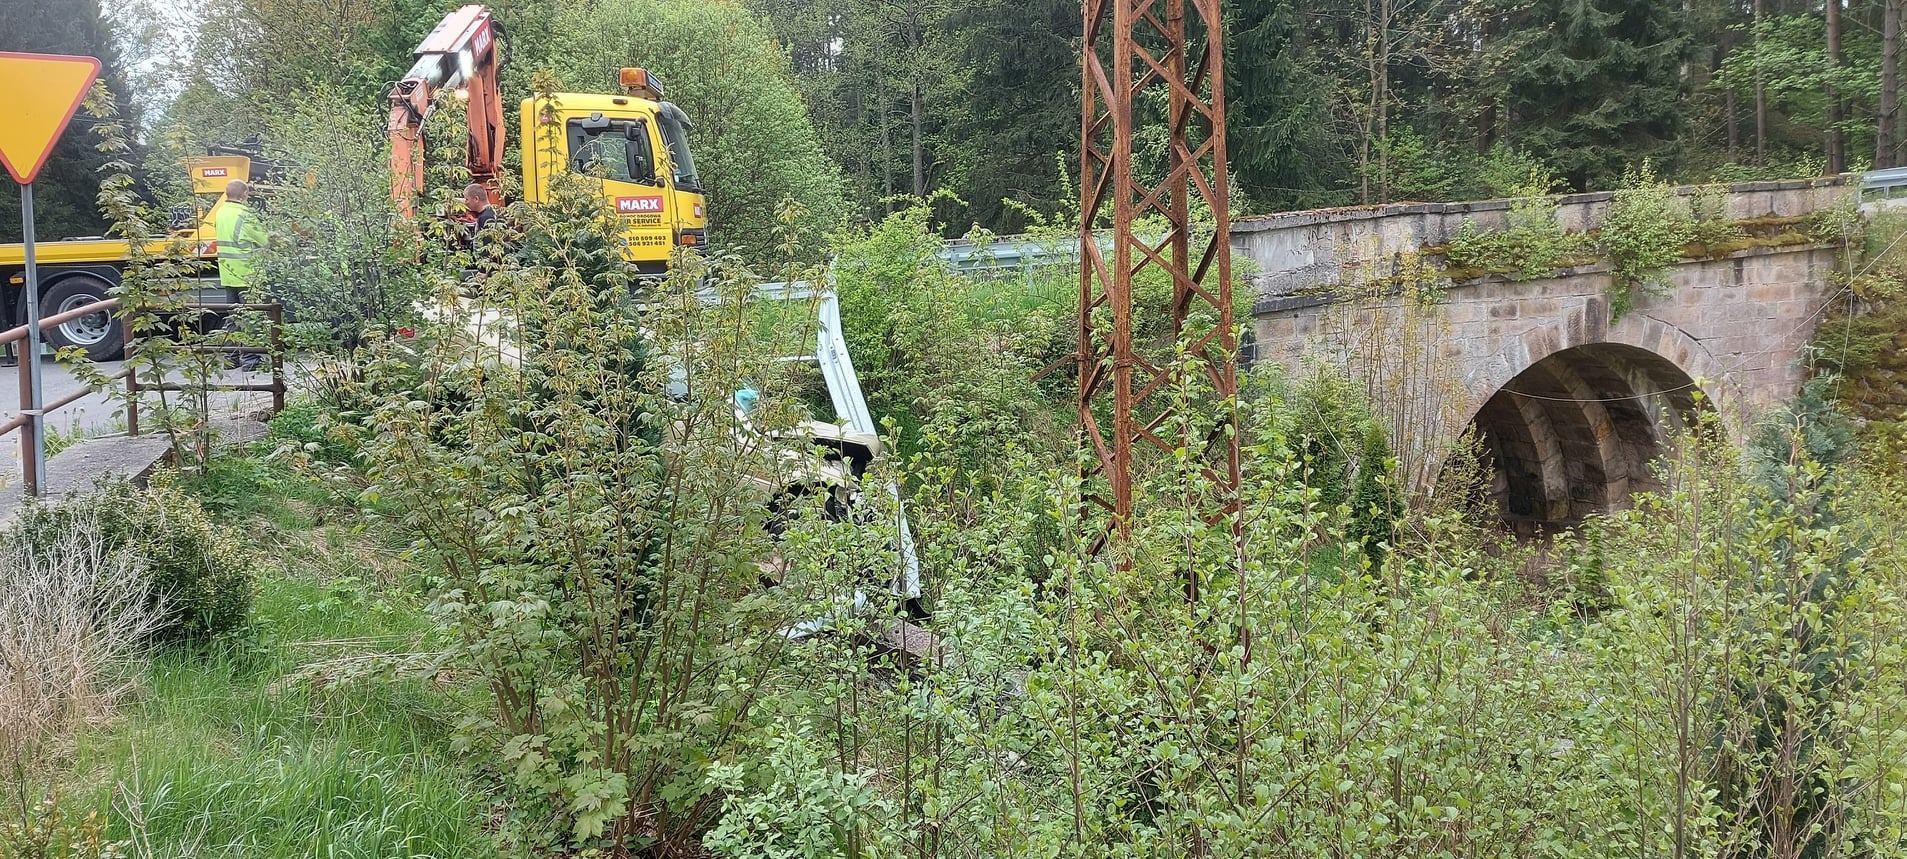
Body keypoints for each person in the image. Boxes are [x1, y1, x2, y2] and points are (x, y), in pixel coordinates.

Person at [214, 179, 268, 293]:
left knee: (233, 309)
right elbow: (264, 241)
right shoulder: (246, 216)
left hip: (227, 272)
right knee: (250, 309)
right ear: (244, 194)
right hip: (246, 273)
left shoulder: (220, 212)